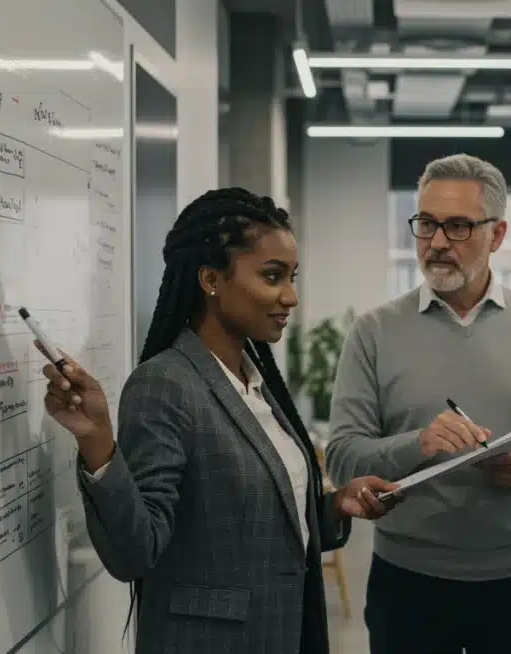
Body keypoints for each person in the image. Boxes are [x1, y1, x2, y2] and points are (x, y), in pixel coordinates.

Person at [36, 188, 400, 654]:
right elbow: (135, 551)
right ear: (211, 279)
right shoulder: (166, 385)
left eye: (292, 277)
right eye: (272, 277)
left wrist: (333, 506)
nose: (289, 296)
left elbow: (259, 523)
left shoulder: (255, 382)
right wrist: (98, 442)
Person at [325, 153, 511, 654]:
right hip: (407, 585)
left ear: (496, 235)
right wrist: (418, 444)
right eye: (426, 224)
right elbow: (343, 454)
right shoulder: (374, 331)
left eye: (457, 226)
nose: (436, 242)